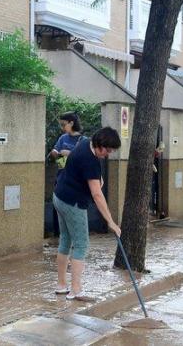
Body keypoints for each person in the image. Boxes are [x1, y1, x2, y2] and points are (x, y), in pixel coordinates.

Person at [53, 127, 122, 301]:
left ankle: (61, 285)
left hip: (59, 196)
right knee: (82, 244)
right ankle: (76, 290)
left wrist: (98, 180)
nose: (107, 154)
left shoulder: (84, 143)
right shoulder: (90, 161)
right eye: (107, 150)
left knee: (65, 240)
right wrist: (111, 222)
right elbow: (97, 195)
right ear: (100, 145)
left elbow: (92, 179)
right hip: (73, 203)